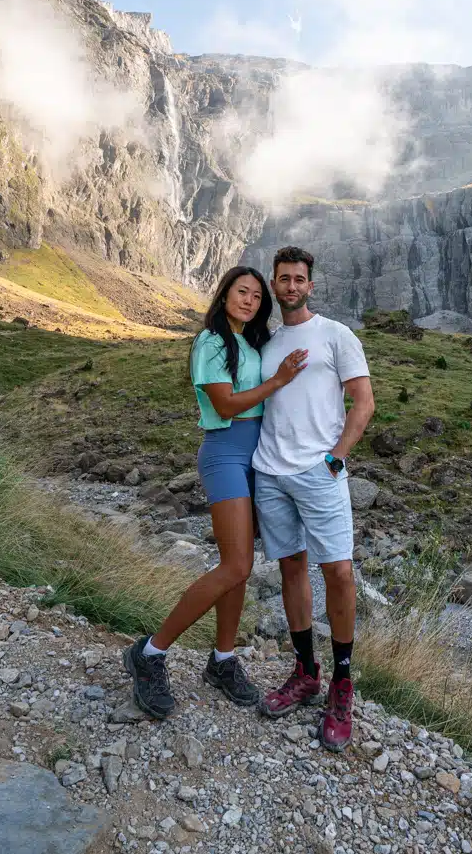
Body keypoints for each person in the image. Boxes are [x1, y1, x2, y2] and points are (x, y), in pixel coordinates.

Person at [123, 266, 308, 719]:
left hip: (256, 457)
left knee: (240, 569)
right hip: (225, 453)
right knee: (236, 564)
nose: (249, 300)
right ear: (223, 293)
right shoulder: (210, 343)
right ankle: (149, 652)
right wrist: (278, 380)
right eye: (241, 292)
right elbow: (224, 403)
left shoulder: (248, 342)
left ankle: (222, 660)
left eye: (255, 296)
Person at [252, 246, 375, 752]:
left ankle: (342, 683)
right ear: (274, 283)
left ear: (311, 285)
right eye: (283, 279)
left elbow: (364, 401)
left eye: (299, 279)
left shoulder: (336, 335)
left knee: (339, 572)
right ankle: (306, 671)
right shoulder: (266, 343)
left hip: (320, 473)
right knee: (291, 569)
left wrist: (336, 458)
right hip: (271, 471)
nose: (291, 287)